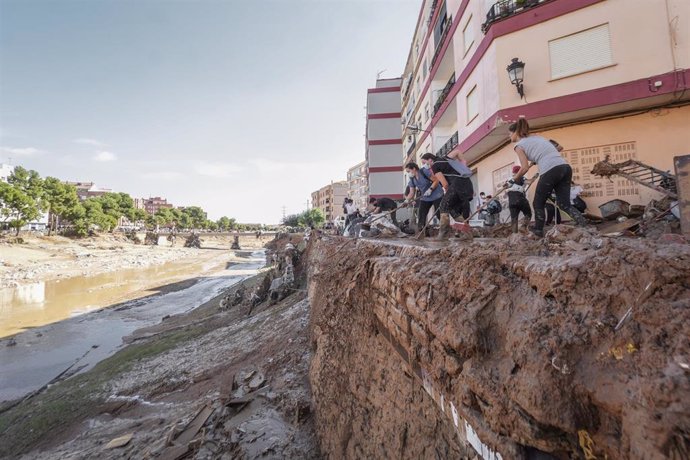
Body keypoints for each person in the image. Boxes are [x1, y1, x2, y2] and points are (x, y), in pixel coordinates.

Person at [510, 118, 586, 237]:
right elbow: (559, 147)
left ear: (515, 133)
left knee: (538, 203)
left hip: (550, 170)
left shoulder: (518, 146)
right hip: (565, 167)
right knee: (564, 204)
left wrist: (514, 179)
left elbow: (524, 168)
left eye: (509, 134)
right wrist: (539, 157)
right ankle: (583, 223)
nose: (509, 136)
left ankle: (538, 230)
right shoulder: (538, 138)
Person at [421, 152, 474, 239]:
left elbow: (445, 184)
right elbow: (457, 151)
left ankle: (443, 234)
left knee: (443, 206)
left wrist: (446, 191)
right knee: (452, 209)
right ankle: (466, 233)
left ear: (430, 160)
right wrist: (463, 162)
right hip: (467, 185)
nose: (424, 166)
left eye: (424, 162)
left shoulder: (435, 166)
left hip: (456, 185)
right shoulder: (445, 158)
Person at [404, 161, 443, 238]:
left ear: (414, 169)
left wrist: (430, 189)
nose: (408, 173)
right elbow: (411, 192)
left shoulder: (424, 171)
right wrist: (406, 201)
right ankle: (422, 232)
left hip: (437, 195)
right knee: (421, 214)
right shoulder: (412, 179)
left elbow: (436, 180)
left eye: (409, 171)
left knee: (439, 214)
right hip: (425, 197)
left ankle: (444, 232)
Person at [505, 165, 532, 233]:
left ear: (513, 171)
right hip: (520, 198)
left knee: (514, 218)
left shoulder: (509, 180)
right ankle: (523, 227)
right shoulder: (520, 177)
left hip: (511, 200)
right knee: (528, 214)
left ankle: (514, 234)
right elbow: (528, 182)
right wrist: (533, 179)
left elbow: (505, 188)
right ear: (520, 171)